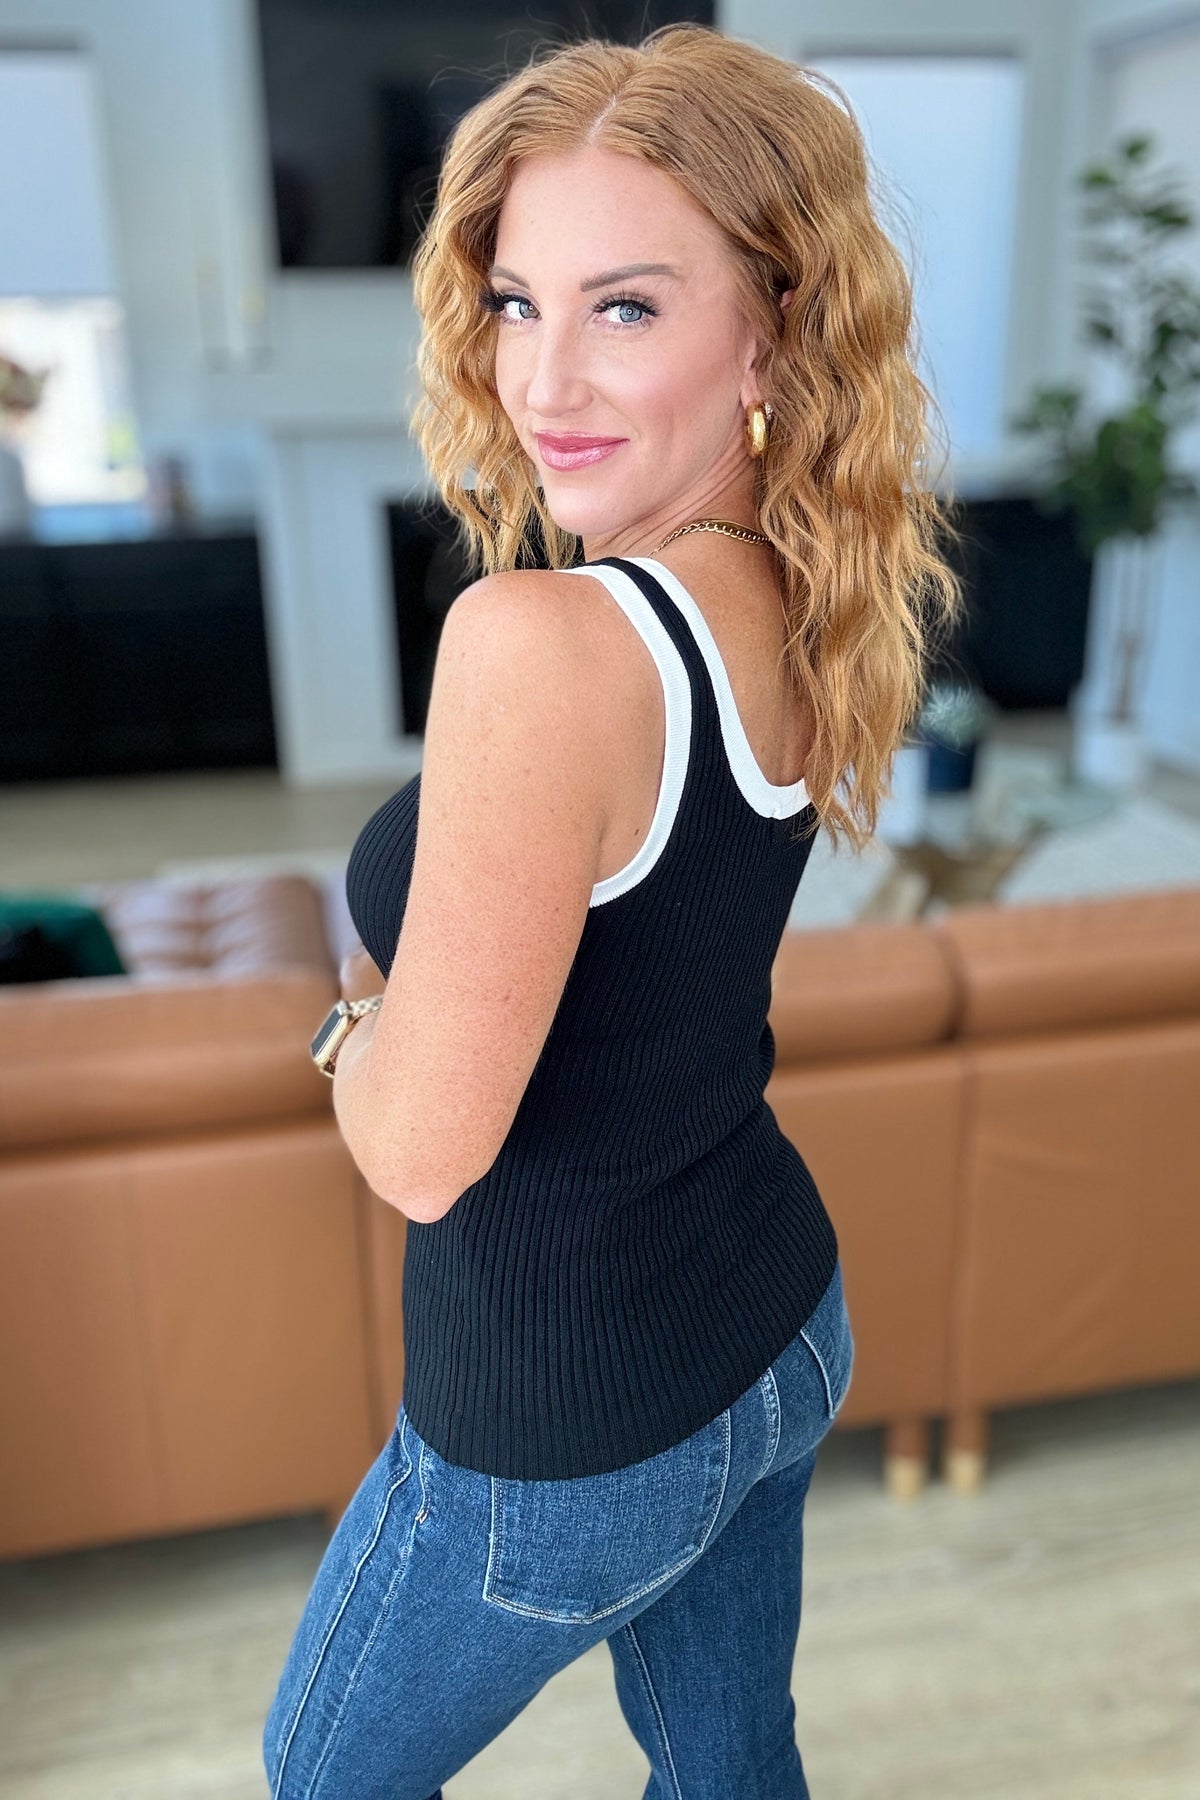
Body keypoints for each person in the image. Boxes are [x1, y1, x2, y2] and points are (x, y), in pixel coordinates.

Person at [263, 23, 962, 1800]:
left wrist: (352, 1016)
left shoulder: (540, 643)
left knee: (318, 1776)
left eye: (626, 307)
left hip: (557, 1435)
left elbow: (421, 1153)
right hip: (774, 1325)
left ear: (772, 334)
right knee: (731, 1767)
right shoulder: (806, 590)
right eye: (518, 303)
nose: (543, 379)